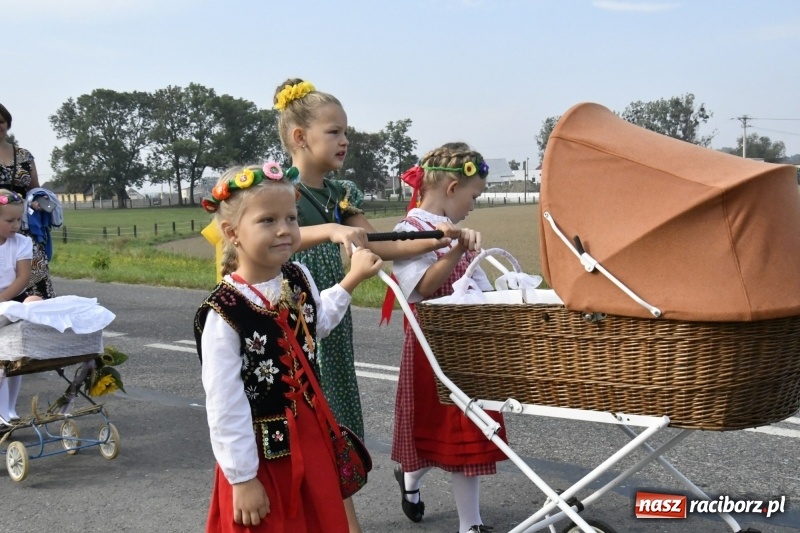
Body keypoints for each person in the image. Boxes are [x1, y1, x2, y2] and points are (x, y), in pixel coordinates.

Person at [272, 78, 452, 532]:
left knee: (335, 426)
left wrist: (436, 237)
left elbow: (378, 243)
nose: (345, 140)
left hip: (334, 320)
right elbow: (283, 238)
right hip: (295, 322)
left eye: (345, 131)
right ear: (300, 137)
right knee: (307, 424)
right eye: (334, 131)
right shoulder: (280, 191)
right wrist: (330, 232)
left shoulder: (340, 192)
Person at [194, 162, 382, 533]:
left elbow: (317, 321)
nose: (285, 230)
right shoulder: (224, 312)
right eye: (268, 221)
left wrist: (352, 279)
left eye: (292, 218)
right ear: (232, 232)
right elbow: (224, 404)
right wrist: (243, 479)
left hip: (312, 435)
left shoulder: (297, 277)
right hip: (263, 455)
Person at [390, 143, 507, 533]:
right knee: (437, 434)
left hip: (467, 348)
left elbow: (480, 286)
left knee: (468, 433)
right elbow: (420, 287)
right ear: (453, 187)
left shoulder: (462, 234)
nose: (474, 206)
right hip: (431, 351)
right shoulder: (409, 231)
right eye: (473, 196)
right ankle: (412, 480)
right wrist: (454, 250)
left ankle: (469, 524)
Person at [0, 103, 56, 299]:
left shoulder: (23, 155)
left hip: (22, 224)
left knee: (33, 278)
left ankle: (37, 322)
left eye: (1, 121)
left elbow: (33, 187)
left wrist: (37, 201)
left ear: (7, 124)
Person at [0, 189, 43, 427]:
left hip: (10, 301)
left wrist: (2, 300)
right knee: (1, 359)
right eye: (9, 221)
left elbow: (22, 278)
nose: (15, 225)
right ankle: (1, 411)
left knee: (15, 355)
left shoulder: (22, 243)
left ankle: (10, 407)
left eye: (18, 220)